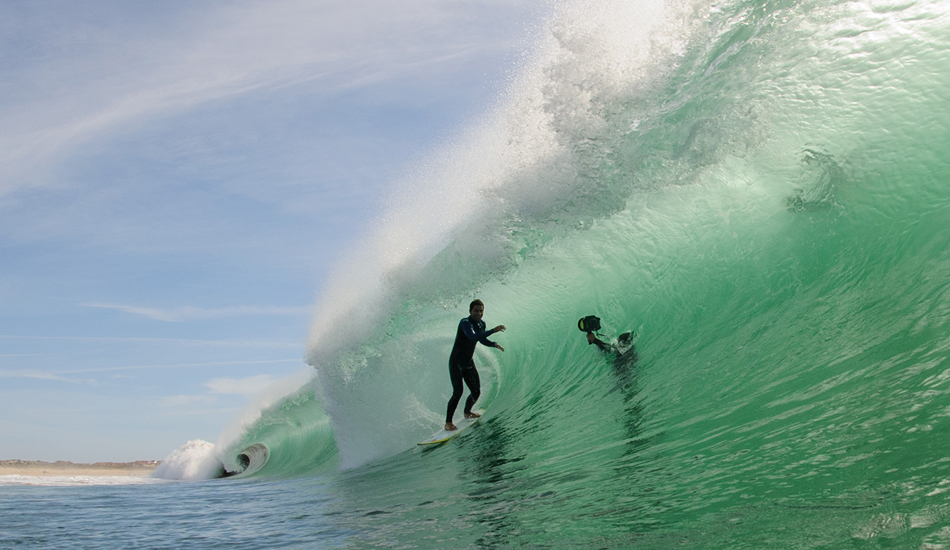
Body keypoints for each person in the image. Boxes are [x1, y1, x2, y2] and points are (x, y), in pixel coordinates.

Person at [445, 299, 505, 431]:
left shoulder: (481, 324)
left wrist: (493, 344)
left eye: (481, 310)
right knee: (458, 392)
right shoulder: (465, 323)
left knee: (476, 391)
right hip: (456, 363)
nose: (479, 313)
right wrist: (493, 330)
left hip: (468, 362)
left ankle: (467, 412)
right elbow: (472, 337)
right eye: (476, 310)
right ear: (470, 311)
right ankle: (448, 422)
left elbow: (481, 339)